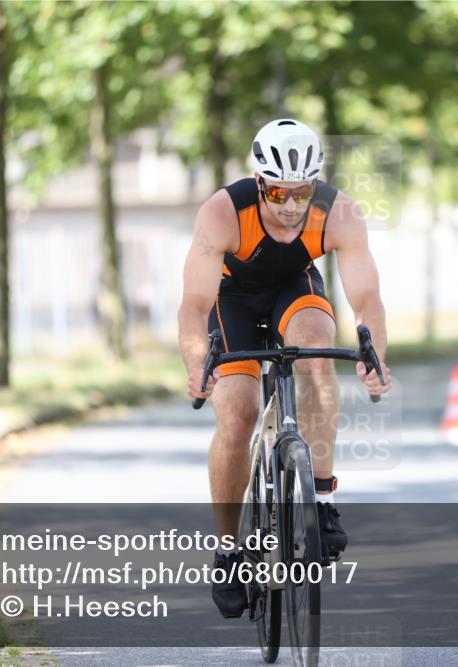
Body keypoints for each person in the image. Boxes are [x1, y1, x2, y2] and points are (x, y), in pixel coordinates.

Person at [177, 119, 392, 618]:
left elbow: (367, 299)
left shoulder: (338, 213)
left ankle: (318, 498)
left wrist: (376, 357)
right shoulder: (222, 213)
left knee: (318, 353)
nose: (292, 205)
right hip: (229, 300)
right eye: (279, 192)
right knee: (237, 413)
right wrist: (196, 362)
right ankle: (230, 550)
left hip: (294, 287)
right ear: (259, 183)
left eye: (302, 192)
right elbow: (194, 304)